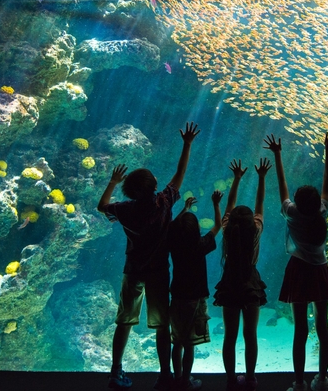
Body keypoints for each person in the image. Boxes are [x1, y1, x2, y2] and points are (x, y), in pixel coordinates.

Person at [97, 122, 200, 390]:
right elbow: (179, 174)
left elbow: (102, 206)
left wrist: (112, 183)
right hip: (157, 271)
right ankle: (165, 373)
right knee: (161, 324)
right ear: (153, 186)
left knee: (124, 320)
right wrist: (187, 144)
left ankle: (115, 371)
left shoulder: (126, 209)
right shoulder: (163, 203)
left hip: (133, 270)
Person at [264, 130, 328, 391]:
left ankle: (299, 383)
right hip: (320, 271)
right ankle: (321, 379)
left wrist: (277, 154)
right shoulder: (320, 212)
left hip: (298, 270)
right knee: (323, 325)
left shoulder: (291, 214)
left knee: (300, 328)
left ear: (297, 203)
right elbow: (327, 183)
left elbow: (282, 189)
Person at [213, 158, 272, 391]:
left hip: (229, 284)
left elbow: (229, 208)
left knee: (230, 335)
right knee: (251, 335)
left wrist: (236, 179)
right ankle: (250, 378)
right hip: (250, 284)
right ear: (252, 222)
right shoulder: (256, 229)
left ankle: (230, 379)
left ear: (231, 221)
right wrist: (262, 177)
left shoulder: (227, 230)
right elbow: (260, 205)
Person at [167, 190, 223, 391]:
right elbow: (218, 226)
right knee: (190, 343)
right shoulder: (200, 245)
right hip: (196, 299)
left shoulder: (173, 243)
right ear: (196, 230)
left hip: (178, 297)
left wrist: (185, 209)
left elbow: (174, 227)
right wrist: (216, 204)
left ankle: (177, 377)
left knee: (177, 342)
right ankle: (186, 380)